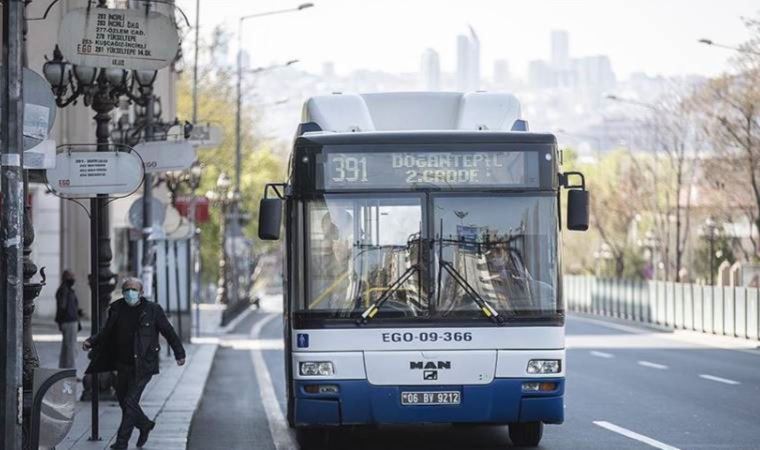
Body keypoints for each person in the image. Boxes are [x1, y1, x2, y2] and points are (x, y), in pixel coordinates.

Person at [83, 278, 186, 449]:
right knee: (124, 402)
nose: (130, 292)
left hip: (144, 365)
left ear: (141, 292)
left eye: (134, 289)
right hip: (122, 364)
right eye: (127, 289)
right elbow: (106, 331)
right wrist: (91, 341)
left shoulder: (153, 310)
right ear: (123, 292)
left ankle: (121, 442)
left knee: (130, 401)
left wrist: (179, 353)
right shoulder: (116, 308)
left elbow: (169, 332)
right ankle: (145, 425)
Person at [55, 270, 80, 368]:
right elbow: (63, 306)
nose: (73, 279)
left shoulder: (66, 290)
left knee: (67, 348)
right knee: (71, 349)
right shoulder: (65, 290)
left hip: (68, 321)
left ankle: (63, 370)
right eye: (71, 276)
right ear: (66, 278)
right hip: (69, 321)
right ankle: (70, 372)